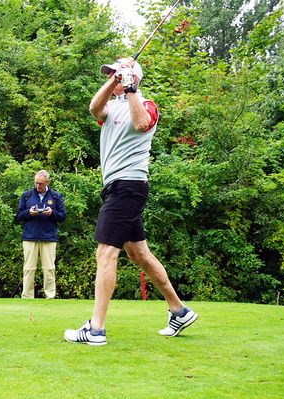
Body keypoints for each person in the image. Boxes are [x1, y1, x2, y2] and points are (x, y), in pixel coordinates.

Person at [64, 58, 197, 345]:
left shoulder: (146, 104)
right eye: (110, 75)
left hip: (129, 186)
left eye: (115, 74)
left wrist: (132, 87)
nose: (112, 78)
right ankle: (179, 310)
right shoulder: (111, 108)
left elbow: (141, 123)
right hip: (117, 188)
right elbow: (93, 108)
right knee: (139, 255)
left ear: (132, 78)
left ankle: (95, 329)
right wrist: (115, 80)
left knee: (105, 252)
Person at [15, 170, 66, 299]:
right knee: (29, 269)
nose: (38, 186)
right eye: (36, 183)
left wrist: (52, 213)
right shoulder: (26, 196)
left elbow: (62, 216)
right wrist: (29, 213)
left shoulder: (55, 196)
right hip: (30, 237)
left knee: (49, 269)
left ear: (47, 182)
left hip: (48, 237)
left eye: (41, 184)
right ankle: (27, 297)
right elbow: (19, 216)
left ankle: (50, 296)